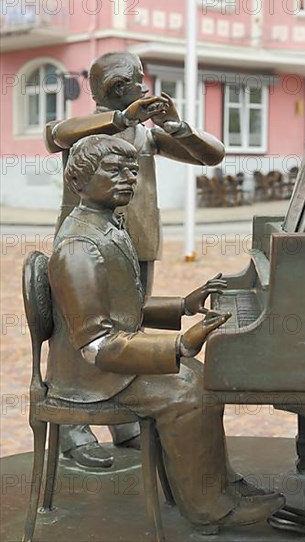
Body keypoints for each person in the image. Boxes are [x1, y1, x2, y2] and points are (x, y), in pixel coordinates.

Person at [46, 134, 285, 533]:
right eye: (113, 170)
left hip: (110, 359)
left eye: (131, 170)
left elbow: (122, 307)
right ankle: (210, 510)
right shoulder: (78, 248)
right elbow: (95, 343)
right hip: (91, 377)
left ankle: (220, 483)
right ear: (79, 181)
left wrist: (183, 306)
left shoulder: (105, 225)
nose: (128, 179)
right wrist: (177, 344)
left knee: (200, 376)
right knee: (186, 395)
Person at [44, 52, 225, 467]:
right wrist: (122, 118)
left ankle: (121, 416)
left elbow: (211, 155)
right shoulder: (84, 130)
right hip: (86, 245)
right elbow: (56, 133)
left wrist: (176, 126)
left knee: (131, 324)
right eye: (136, 80)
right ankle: (73, 424)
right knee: (75, 332)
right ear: (114, 87)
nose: (144, 86)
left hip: (135, 239)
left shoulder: (147, 136)